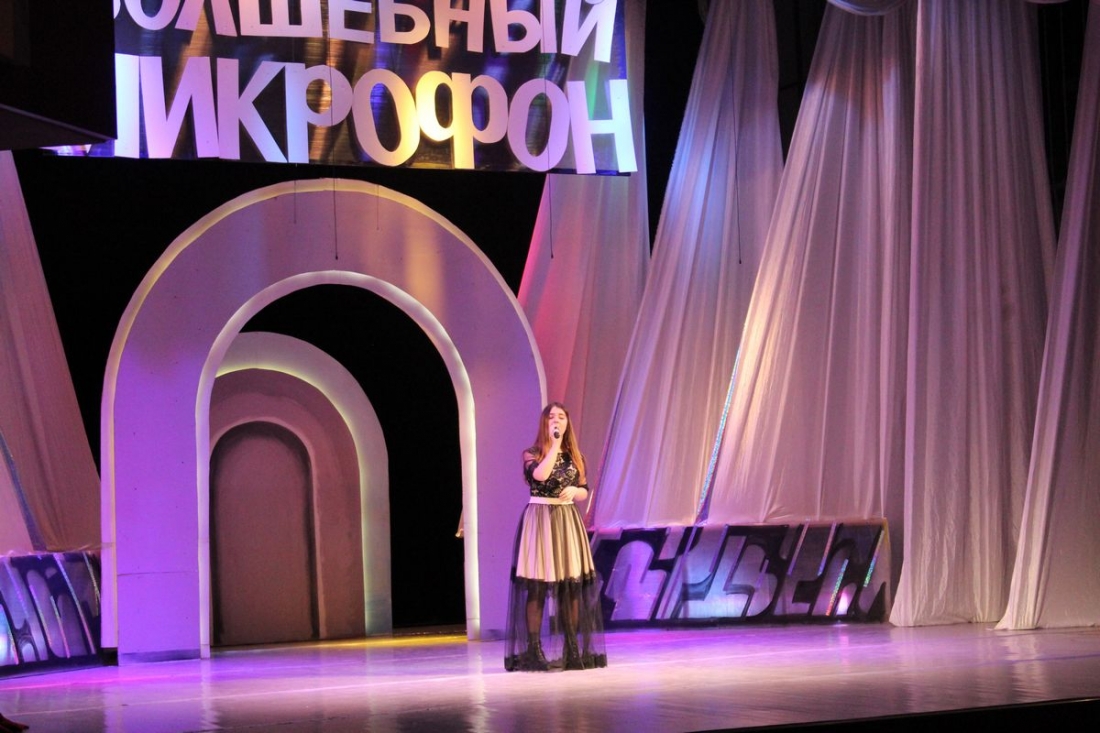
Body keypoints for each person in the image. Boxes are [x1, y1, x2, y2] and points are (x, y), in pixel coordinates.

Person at [504, 402, 607, 672]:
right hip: (540, 520)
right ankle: (534, 648)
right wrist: (554, 445)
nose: (557, 420)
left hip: (567, 520)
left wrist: (575, 492)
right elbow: (540, 475)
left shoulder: (576, 456)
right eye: (552, 417)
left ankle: (572, 647)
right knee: (537, 584)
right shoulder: (532, 454)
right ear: (545, 422)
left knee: (570, 585)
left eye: (562, 417)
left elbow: (584, 489)